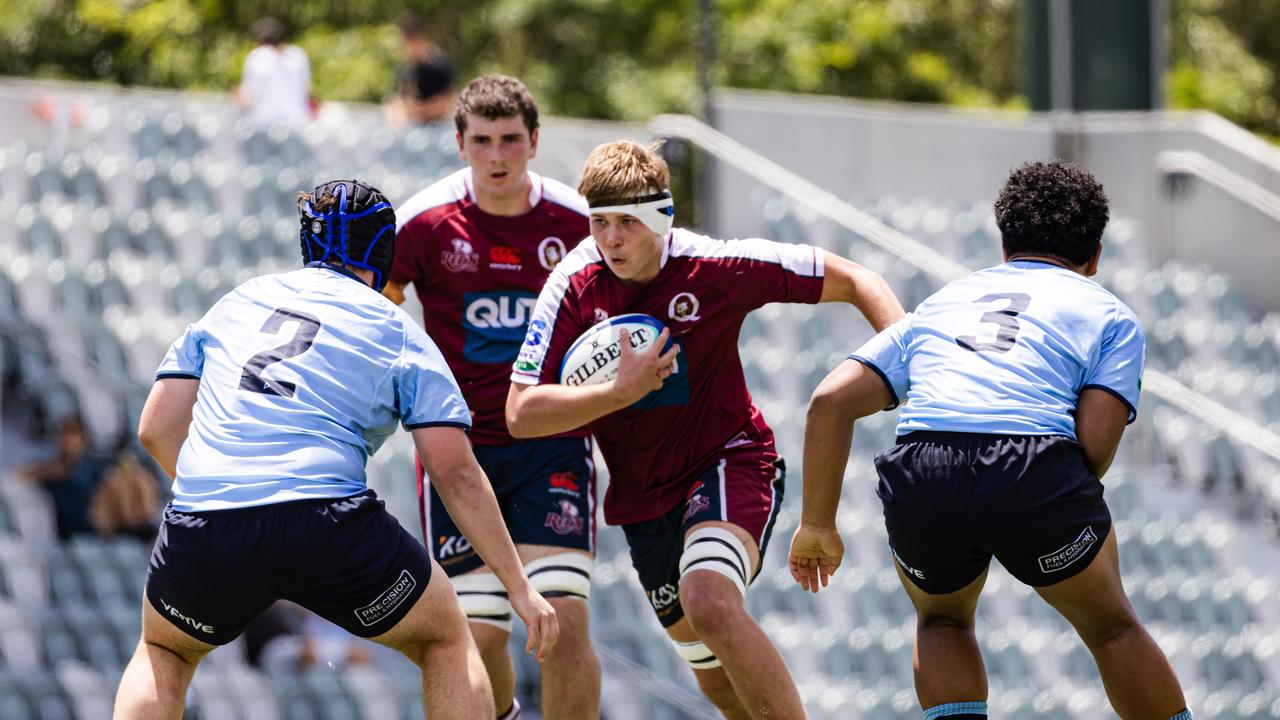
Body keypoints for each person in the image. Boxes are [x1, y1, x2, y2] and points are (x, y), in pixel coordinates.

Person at [113, 179, 558, 720]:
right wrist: (519, 587)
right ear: (382, 255)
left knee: (165, 650)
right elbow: (455, 471)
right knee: (443, 638)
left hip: (207, 520)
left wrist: (224, 497)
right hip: (325, 524)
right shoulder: (397, 329)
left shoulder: (239, 300)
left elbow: (156, 427)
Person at [506, 140, 904, 719]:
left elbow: (856, 278)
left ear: (661, 219)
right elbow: (520, 414)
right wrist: (619, 393)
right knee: (717, 683)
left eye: (626, 223)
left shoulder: (716, 265)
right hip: (643, 501)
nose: (610, 239)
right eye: (598, 222)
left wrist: (910, 368)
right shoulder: (574, 282)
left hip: (729, 459)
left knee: (709, 601)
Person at [788, 161, 1190, 720]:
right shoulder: (1110, 315)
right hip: (1032, 466)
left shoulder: (942, 303)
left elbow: (829, 402)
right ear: (1094, 256)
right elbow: (1093, 447)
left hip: (926, 468)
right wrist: (1035, 511)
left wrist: (818, 527)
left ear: (1004, 246)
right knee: (1110, 627)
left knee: (942, 620)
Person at [384, 74, 598, 720]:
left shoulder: (580, 225)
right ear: (459, 144)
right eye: (483, 141)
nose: (497, 156)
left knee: (561, 620)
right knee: (478, 633)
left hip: (549, 443)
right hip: (458, 454)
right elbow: (376, 315)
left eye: (510, 140)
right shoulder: (421, 225)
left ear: (534, 142)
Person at [18, 415, 108, 539]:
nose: (66, 440)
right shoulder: (49, 470)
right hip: (64, 535)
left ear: (84, 440)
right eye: (63, 434)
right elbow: (19, 476)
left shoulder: (96, 471)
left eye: (72, 434)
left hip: (92, 532)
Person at [236, 17, 312, 129]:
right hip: (297, 124)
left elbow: (248, 96)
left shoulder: (257, 57)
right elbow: (306, 89)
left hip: (264, 125)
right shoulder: (298, 55)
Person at [386, 16, 456, 128]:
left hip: (438, 127)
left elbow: (448, 101)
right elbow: (397, 101)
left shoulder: (438, 65)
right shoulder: (406, 68)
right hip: (413, 127)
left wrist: (422, 111)